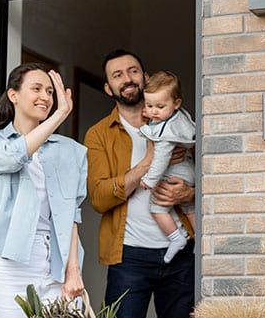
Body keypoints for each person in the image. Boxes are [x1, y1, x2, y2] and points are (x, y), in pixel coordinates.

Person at [84, 49, 195, 318]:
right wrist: (148, 161)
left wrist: (190, 193)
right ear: (109, 88)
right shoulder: (99, 134)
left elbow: (212, 174)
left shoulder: (178, 123)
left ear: (145, 78)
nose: (128, 79)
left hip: (183, 255)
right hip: (129, 257)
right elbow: (99, 198)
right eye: (118, 75)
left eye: (133, 71)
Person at [0, 63, 87, 318]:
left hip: (58, 262)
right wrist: (60, 115)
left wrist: (73, 271)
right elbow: (17, 156)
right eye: (37, 88)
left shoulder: (71, 151)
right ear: (13, 95)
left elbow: (71, 214)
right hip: (12, 260)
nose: (46, 97)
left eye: (50, 91)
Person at [139, 71, 196, 264]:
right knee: (189, 207)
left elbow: (161, 159)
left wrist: (150, 180)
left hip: (175, 173)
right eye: (149, 106)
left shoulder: (166, 133)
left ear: (176, 103)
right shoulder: (179, 118)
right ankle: (201, 240)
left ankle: (175, 237)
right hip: (189, 172)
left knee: (156, 207)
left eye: (160, 106)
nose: (154, 112)